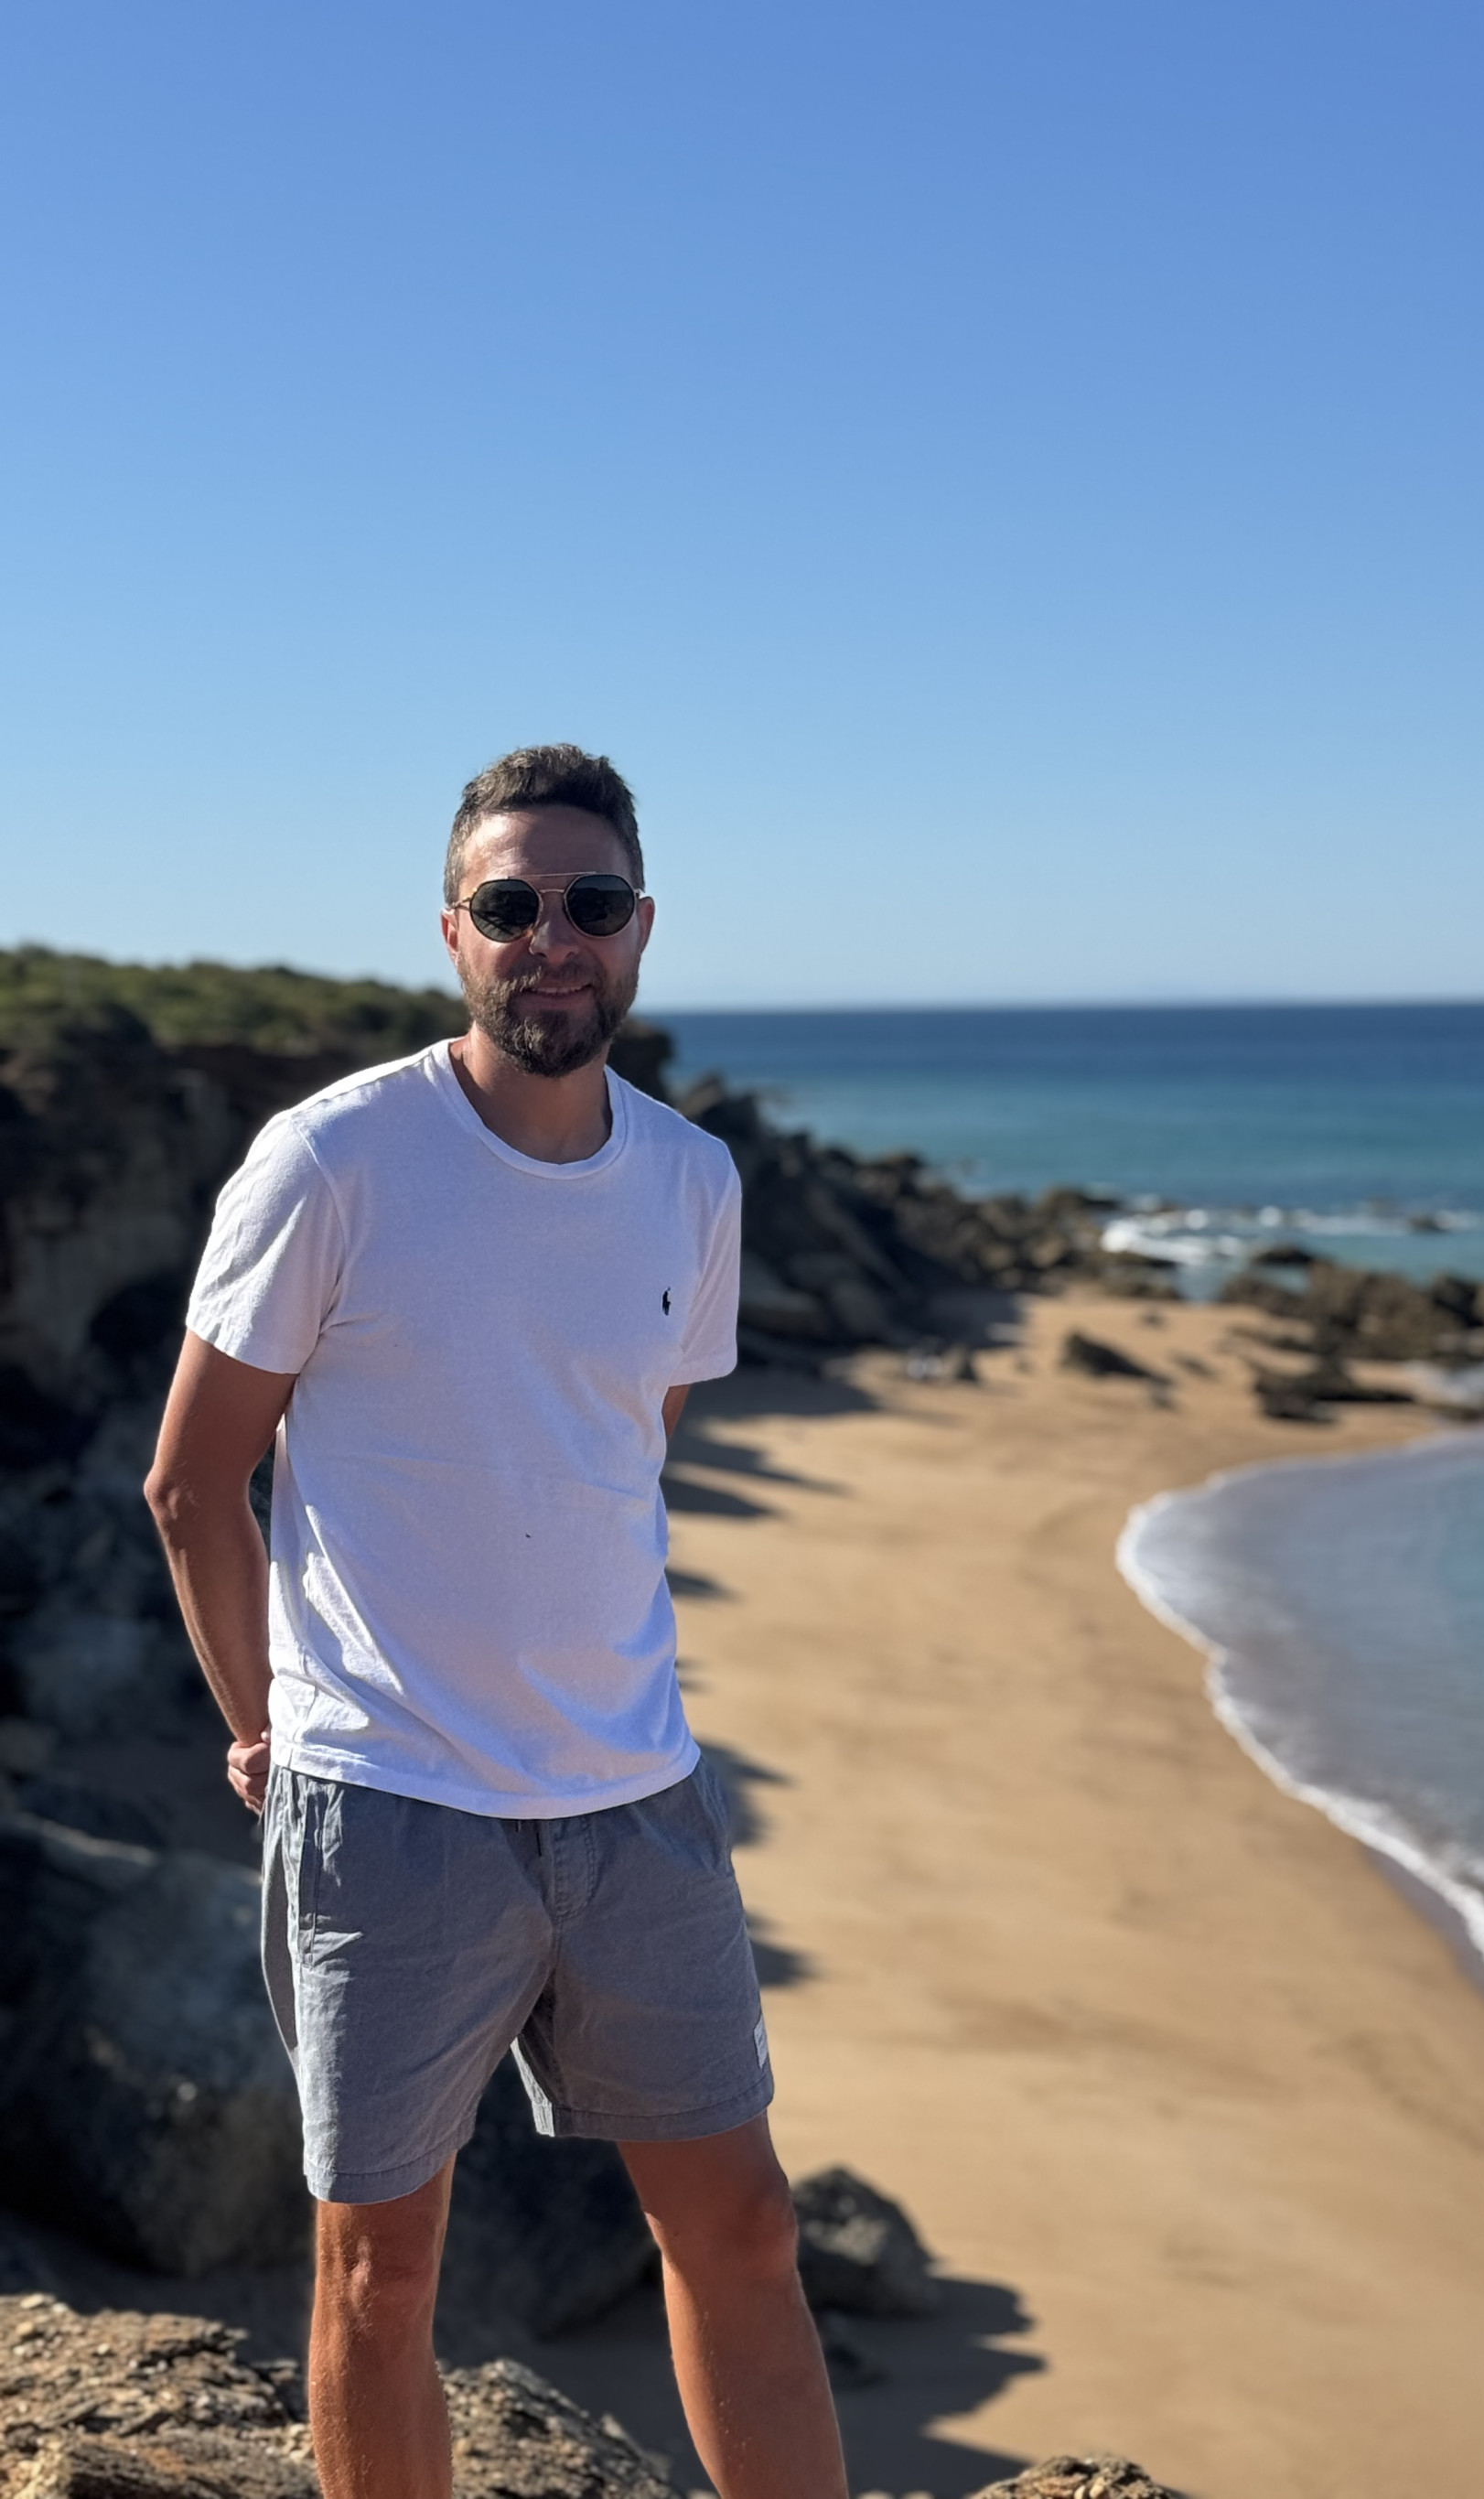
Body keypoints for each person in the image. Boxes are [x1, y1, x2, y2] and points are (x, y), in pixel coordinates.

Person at [145, 745, 847, 2499]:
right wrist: (265, 1727)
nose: (553, 937)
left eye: (588, 903)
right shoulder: (333, 1160)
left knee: (744, 2231)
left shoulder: (692, 1180)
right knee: (379, 2280)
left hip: (637, 1801)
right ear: (453, 932)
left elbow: (622, 1452)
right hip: (390, 1807)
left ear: (641, 928)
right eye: (511, 904)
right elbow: (195, 1482)